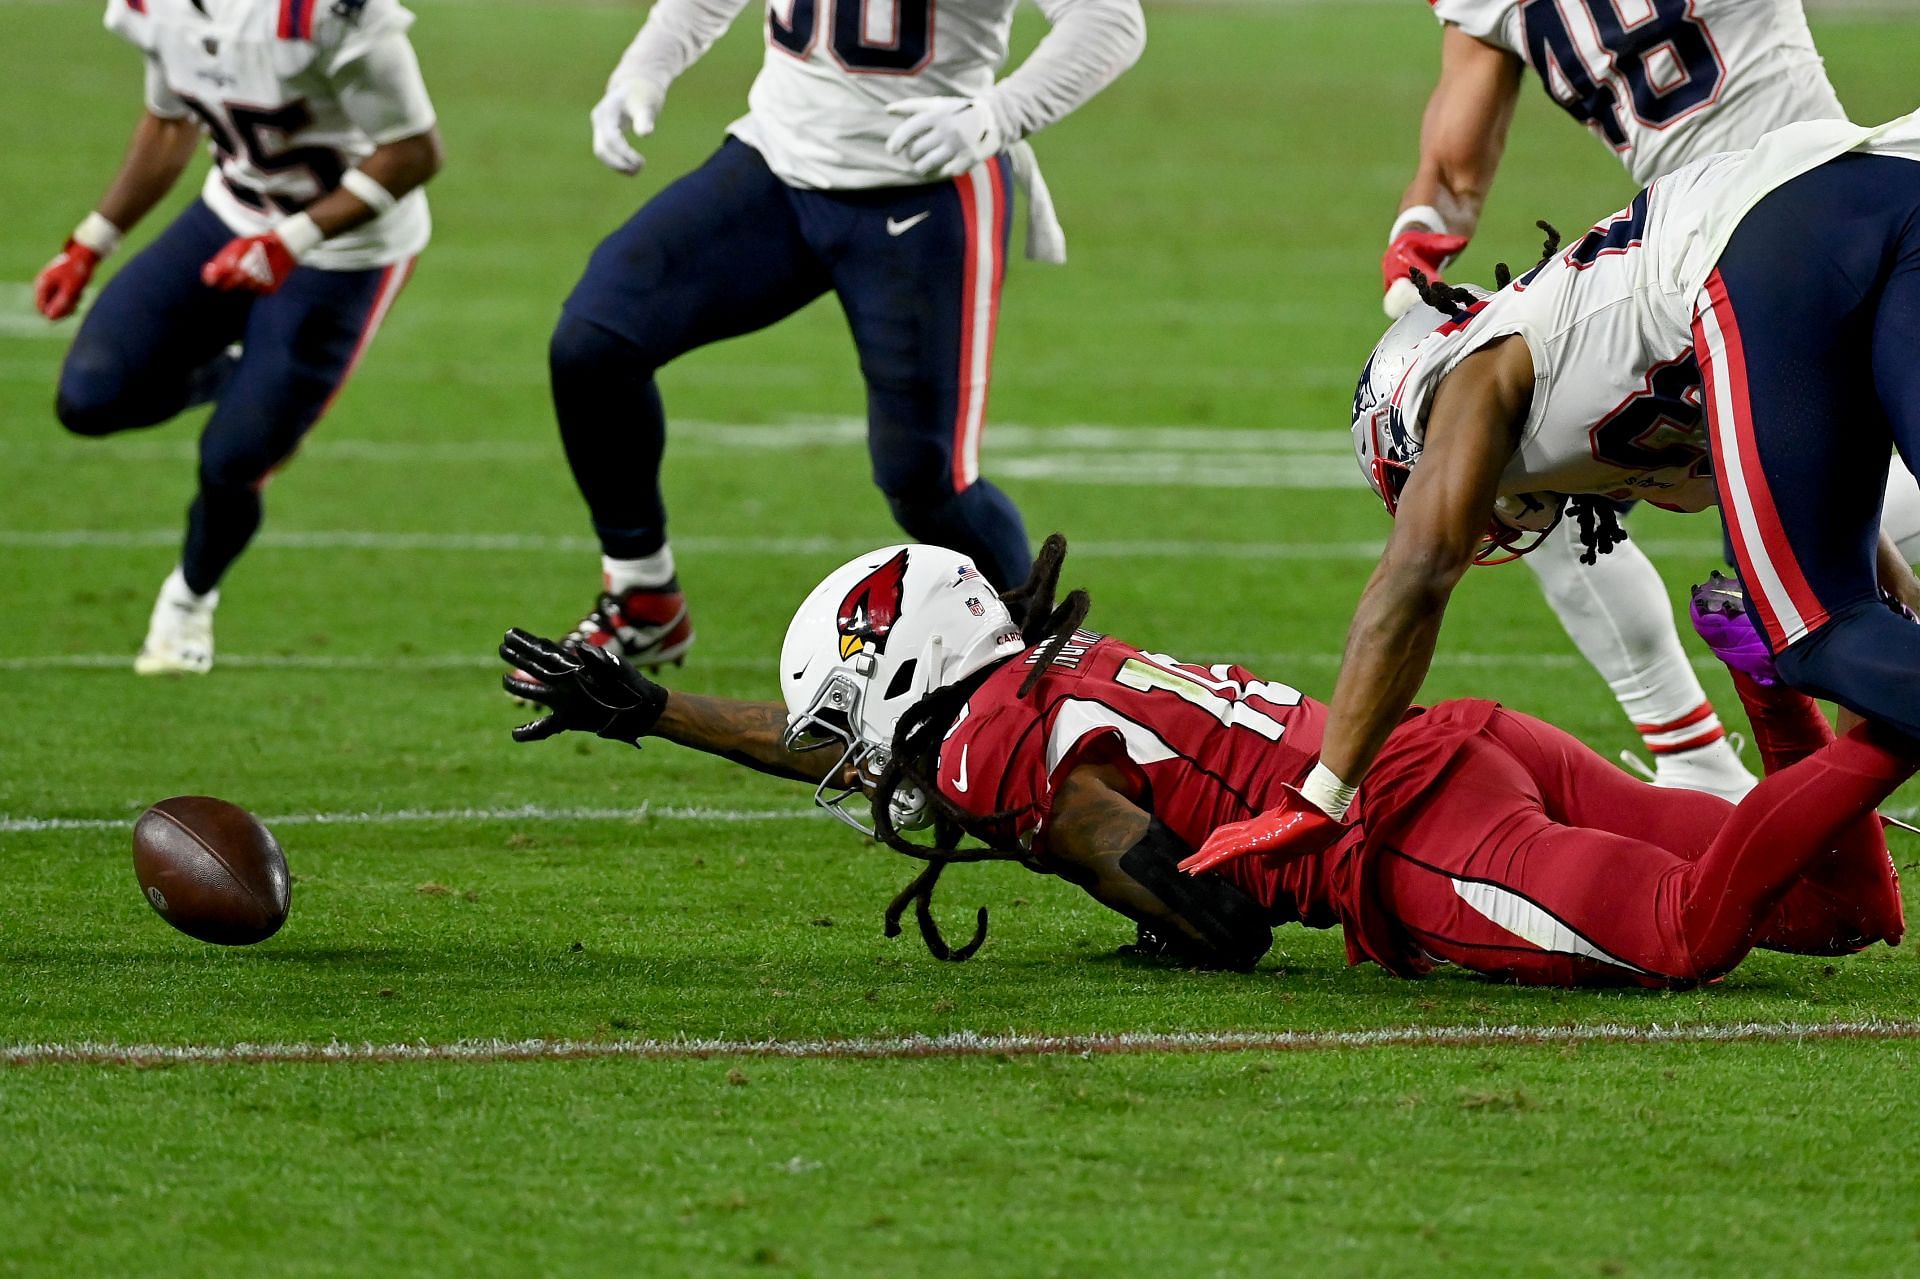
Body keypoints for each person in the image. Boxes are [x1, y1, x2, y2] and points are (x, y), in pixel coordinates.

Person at [498, 537, 1907, 985]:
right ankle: (1772, 675)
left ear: (909, 674)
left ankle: (1897, 719)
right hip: (1463, 747)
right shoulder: (1036, 674)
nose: (854, 754)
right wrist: (657, 708)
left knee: (1682, 937)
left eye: (855, 713)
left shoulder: (1001, 750)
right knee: (1843, 912)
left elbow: (1218, 917)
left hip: (1410, 841)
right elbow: (869, 740)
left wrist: (1133, 907)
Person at [1199, 110, 1920, 879]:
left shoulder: (1477, 370)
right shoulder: (1611, 393)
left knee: (1813, 631)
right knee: (1835, 624)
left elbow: (1415, 576)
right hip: (1877, 193)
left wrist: (1324, 793)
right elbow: (1842, 524)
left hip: (1764, 242)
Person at [531, 0, 1144, 671]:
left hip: (925, 186)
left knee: (928, 484)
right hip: (775, 168)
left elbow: (1109, 20)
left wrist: (1000, 112)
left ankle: (1047, 677)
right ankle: (642, 597)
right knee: (595, 344)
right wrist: (645, 68)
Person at [1376, 0, 1877, 799]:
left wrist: (1422, 227)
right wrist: (1421, 238)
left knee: (1855, 545)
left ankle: (1846, 777)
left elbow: (1449, 181)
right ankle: (1695, 756)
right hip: (1693, 269)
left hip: (1804, 235)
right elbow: (1449, 176)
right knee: (1529, 491)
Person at [34, 0, 443, 674]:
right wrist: (90, 241)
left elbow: (414, 152)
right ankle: (240, 376)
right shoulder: (154, 7)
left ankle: (188, 602)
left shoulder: (322, 14)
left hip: (348, 251)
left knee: (234, 460)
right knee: (90, 397)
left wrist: (290, 242)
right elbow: (171, 124)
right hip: (233, 212)